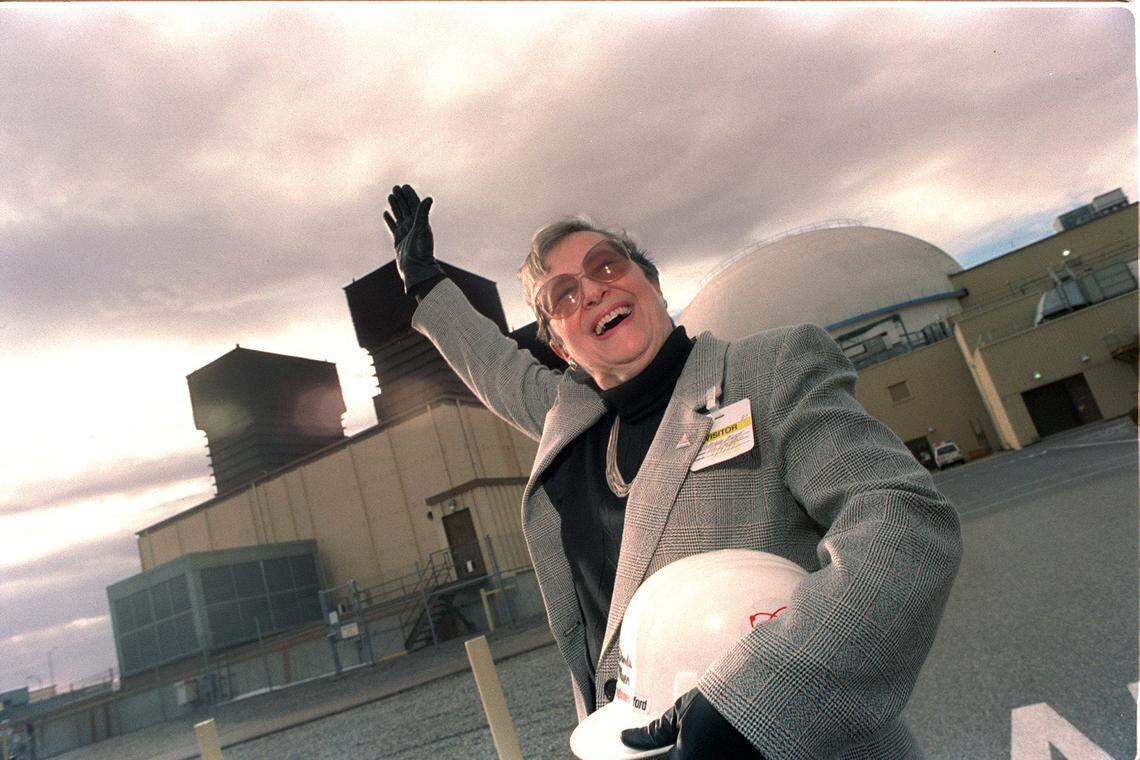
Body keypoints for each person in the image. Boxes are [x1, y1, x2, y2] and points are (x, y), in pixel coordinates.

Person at [382, 184, 962, 759]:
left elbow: (899, 522)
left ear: (651, 282)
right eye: (562, 295)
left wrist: (757, 704)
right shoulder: (572, 420)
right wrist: (426, 283)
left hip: (784, 744)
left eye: (605, 265)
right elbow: (495, 367)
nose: (591, 291)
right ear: (560, 347)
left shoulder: (768, 371)